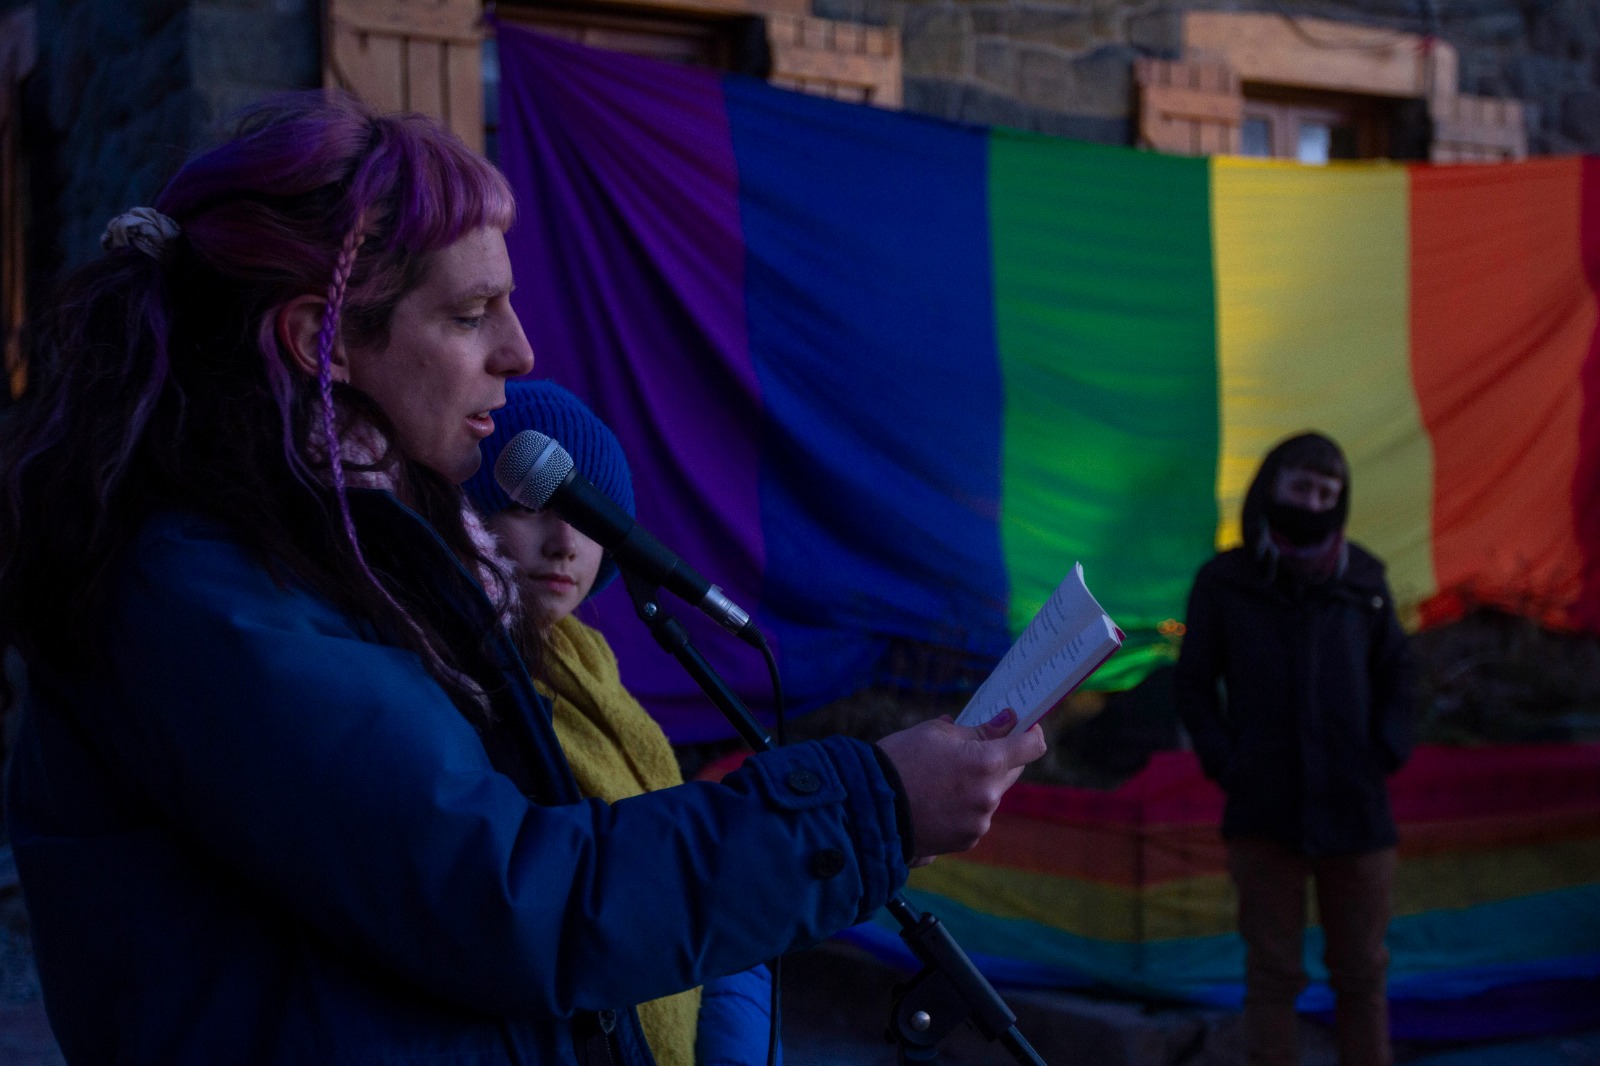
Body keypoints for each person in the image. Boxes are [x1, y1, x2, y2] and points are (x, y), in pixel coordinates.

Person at [0, 92, 1047, 1065]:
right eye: (471, 314)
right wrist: (868, 807)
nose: (520, 349)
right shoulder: (203, 588)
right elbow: (506, 897)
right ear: (320, 342)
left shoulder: (349, 552)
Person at [462, 378, 776, 1066]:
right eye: (528, 507)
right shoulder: (464, 683)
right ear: (468, 519)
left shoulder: (594, 669)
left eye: (588, 516)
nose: (564, 542)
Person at [1173, 432, 1415, 1066]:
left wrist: (1387, 748)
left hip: (1357, 811)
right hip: (1263, 810)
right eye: (1301, 487)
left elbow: (1398, 673)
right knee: (1273, 973)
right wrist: (1226, 761)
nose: (1312, 503)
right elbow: (1193, 684)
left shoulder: (1364, 579)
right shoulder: (1224, 581)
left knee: (1362, 973)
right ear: (1271, 487)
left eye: (1326, 493)